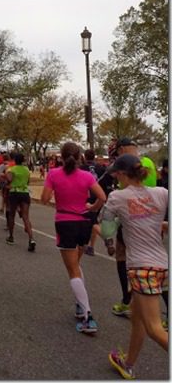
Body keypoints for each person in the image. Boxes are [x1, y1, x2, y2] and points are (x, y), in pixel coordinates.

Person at [100, 153, 168, 380]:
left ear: (121, 174)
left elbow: (108, 232)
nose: (116, 178)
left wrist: (117, 219)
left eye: (116, 174)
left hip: (140, 267)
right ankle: (128, 363)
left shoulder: (117, 197)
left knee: (154, 328)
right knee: (138, 319)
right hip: (162, 266)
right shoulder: (162, 193)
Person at [41, 142, 106, 334]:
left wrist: (60, 200)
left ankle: (88, 316)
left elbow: (44, 199)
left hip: (65, 222)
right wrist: (90, 207)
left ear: (61, 156)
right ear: (80, 157)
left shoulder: (53, 174)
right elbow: (102, 197)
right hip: (83, 223)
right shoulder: (86, 176)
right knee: (76, 266)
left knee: (72, 270)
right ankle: (80, 305)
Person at [107, 138, 159, 318]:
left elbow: (130, 191)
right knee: (156, 263)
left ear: (121, 150)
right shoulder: (148, 162)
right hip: (152, 219)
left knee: (123, 259)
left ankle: (126, 300)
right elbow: (154, 186)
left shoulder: (125, 169)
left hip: (131, 218)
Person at [5, 153, 36, 251]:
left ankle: (11, 237)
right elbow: (27, 182)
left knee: (11, 214)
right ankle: (31, 238)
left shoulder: (12, 169)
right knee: (25, 216)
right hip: (25, 193)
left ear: (14, 160)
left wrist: (6, 179)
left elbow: (9, 179)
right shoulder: (26, 170)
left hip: (14, 193)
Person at [80, 149, 107, 256]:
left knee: (91, 221)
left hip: (87, 196)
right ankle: (91, 246)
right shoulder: (101, 168)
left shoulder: (81, 169)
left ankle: (105, 237)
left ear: (85, 157)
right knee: (94, 219)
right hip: (99, 195)